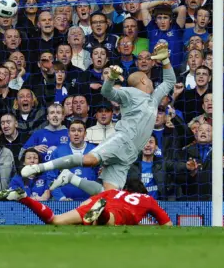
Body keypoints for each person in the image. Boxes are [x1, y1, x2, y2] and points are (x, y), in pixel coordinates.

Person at [21, 43, 176, 193]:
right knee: (90, 161)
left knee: (109, 195)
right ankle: (40, 167)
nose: (152, 81)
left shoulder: (153, 100)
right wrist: (111, 78)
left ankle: (70, 178)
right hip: (122, 140)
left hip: (130, 154)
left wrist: (165, 60)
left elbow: (170, 81)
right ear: (143, 80)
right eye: (149, 80)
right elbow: (107, 92)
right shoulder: (131, 93)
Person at [0, 179, 172, 226]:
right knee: (109, 221)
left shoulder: (113, 191)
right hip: (118, 212)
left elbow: (85, 203)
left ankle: (23, 198)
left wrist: (80, 218)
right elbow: (168, 224)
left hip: (97, 201)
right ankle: (101, 215)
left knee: (55, 220)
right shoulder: (147, 199)